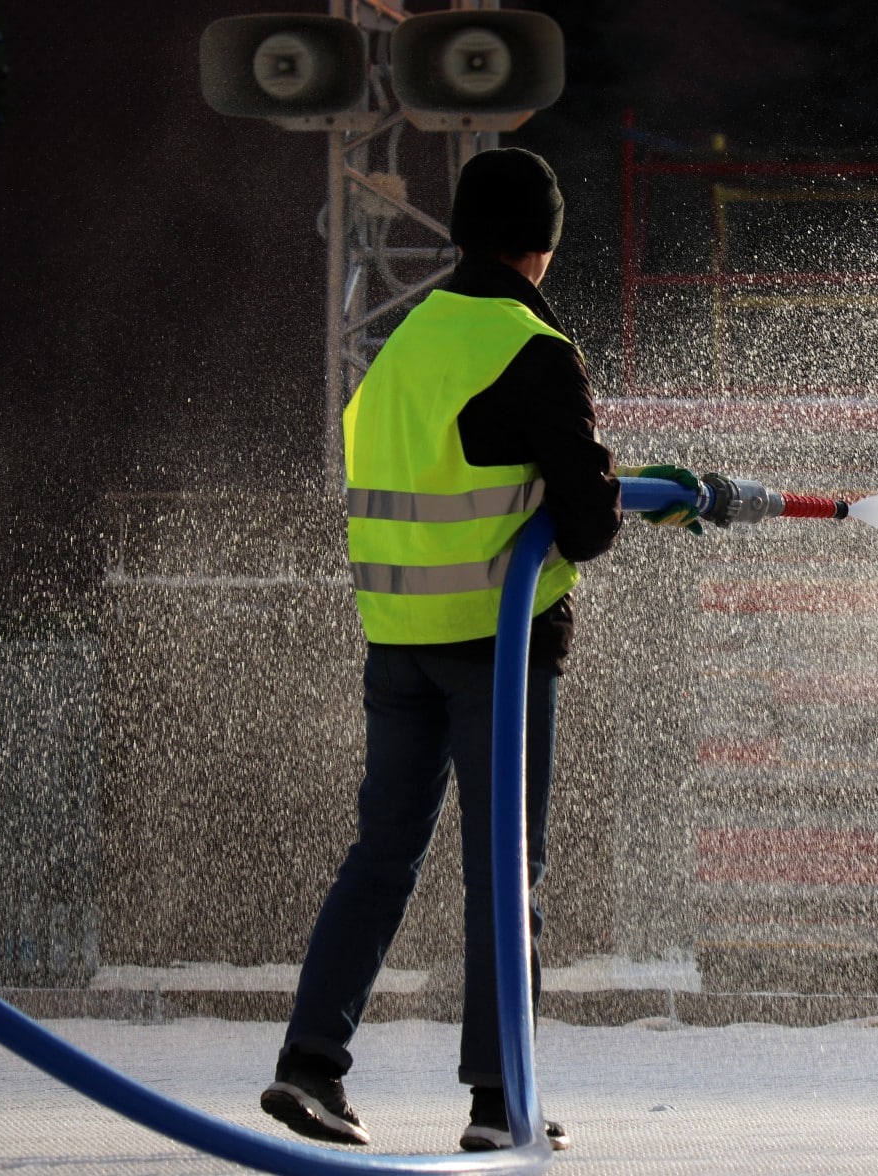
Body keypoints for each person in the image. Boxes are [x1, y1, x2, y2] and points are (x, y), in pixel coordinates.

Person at [258, 147, 699, 1153]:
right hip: (494, 655)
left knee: (380, 856)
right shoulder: (529, 344)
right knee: (505, 872)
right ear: (542, 243)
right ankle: (500, 1104)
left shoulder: (404, 343)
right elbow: (584, 525)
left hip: (397, 643)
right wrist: (626, 491)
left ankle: (309, 1068)